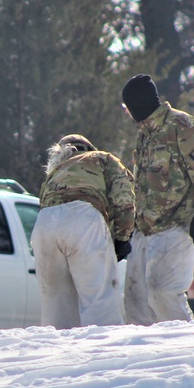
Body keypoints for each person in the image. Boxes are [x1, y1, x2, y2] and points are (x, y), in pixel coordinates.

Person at [120, 73, 194, 325]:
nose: (127, 113)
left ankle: (185, 348)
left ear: (138, 104)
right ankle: (145, 360)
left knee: (163, 294)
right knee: (135, 303)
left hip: (176, 226)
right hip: (144, 231)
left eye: (127, 107)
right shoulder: (144, 134)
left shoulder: (180, 125)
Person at [31, 134, 135, 329]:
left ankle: (58, 355)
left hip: (44, 224)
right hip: (82, 217)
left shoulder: (53, 173)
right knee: (100, 300)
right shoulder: (102, 158)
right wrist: (122, 237)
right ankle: (107, 354)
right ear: (89, 148)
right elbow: (124, 198)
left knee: (55, 305)